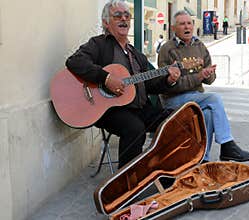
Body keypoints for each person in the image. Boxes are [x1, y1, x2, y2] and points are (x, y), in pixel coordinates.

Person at [65, 0, 181, 169]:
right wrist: (106, 78)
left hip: (140, 108)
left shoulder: (137, 54)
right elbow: (74, 62)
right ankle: (124, 184)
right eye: (117, 15)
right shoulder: (99, 44)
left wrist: (168, 80)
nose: (124, 19)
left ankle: (164, 172)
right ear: (106, 22)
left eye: (127, 15)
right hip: (110, 110)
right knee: (134, 129)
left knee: (175, 120)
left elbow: (149, 85)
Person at [158, 10, 249, 163]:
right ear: (173, 28)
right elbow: (168, 86)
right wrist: (198, 76)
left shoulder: (200, 46)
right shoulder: (167, 49)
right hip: (173, 100)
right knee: (214, 98)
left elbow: (210, 80)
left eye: (189, 23)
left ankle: (202, 159)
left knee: (209, 113)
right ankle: (226, 144)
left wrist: (208, 74)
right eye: (182, 24)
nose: (187, 27)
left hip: (197, 98)